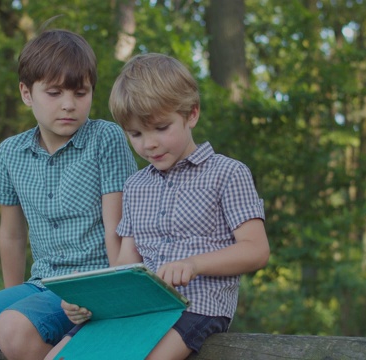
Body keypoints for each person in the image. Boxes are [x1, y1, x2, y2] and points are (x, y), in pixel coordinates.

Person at [48, 53, 270, 360]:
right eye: (136, 134)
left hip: (196, 306)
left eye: (161, 128)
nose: (148, 144)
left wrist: (194, 264)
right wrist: (93, 300)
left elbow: (256, 250)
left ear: (191, 114)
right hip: (137, 308)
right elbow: (126, 262)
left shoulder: (228, 173)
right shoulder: (136, 186)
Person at [0, 29, 138, 360]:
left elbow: (120, 226)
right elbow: (11, 235)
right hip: (42, 284)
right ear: (27, 93)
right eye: (54, 93)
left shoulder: (105, 138)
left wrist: (111, 301)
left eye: (80, 93)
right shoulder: (10, 153)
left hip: (93, 282)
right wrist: (14, 299)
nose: (69, 105)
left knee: (14, 329)